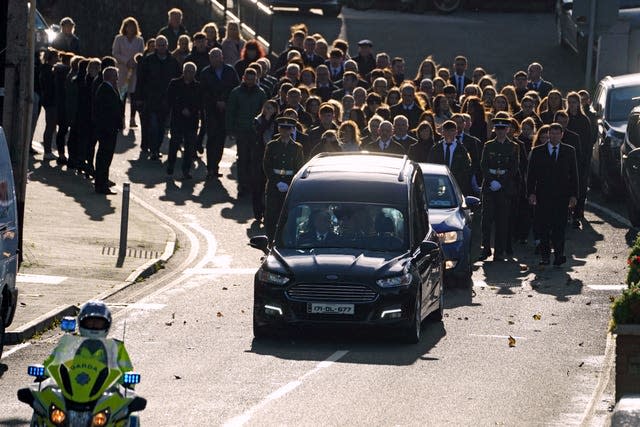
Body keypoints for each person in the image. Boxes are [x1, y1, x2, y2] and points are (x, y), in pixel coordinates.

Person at [527, 123, 578, 266]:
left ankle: (559, 255)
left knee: (559, 227)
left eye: (557, 133)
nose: (554, 136)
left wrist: (574, 195)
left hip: (561, 196)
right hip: (543, 195)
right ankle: (545, 256)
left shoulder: (569, 151)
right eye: (552, 133)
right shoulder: (538, 151)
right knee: (543, 227)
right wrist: (531, 193)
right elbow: (531, 175)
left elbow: (574, 174)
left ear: (562, 135)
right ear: (548, 134)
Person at [43, 300, 133, 377]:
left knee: (135, 398)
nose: (94, 326)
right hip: (69, 389)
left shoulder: (116, 347)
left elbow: (127, 374)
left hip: (106, 393)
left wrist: (124, 385)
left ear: (107, 324)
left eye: (98, 323)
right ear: (81, 322)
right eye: (90, 322)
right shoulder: (69, 343)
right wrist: (43, 375)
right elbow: (51, 365)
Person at [479, 117, 519, 261]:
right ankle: (486, 249)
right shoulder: (488, 145)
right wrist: (491, 180)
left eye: (503, 129)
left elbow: (514, 168)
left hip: (504, 187)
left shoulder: (514, 146)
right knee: (486, 221)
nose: (501, 132)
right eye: (498, 129)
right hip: (490, 186)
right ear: (495, 129)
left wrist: (501, 182)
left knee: (502, 221)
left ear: (508, 129)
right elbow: (483, 165)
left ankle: (499, 251)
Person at [135, 35, 180, 160]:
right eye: (159, 45)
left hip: (166, 100)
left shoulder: (173, 61)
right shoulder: (148, 60)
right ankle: (153, 149)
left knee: (162, 127)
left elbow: (177, 79)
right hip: (150, 98)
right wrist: (139, 98)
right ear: (155, 46)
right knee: (153, 125)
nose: (161, 47)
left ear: (167, 46)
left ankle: (156, 147)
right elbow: (141, 80)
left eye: (163, 45)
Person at [199, 48, 240, 179]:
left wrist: (226, 102)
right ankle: (210, 167)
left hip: (226, 111)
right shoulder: (205, 73)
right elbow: (203, 92)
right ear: (209, 58)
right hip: (211, 111)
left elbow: (235, 88)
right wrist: (215, 101)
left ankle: (215, 165)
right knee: (212, 139)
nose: (215, 59)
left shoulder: (230, 71)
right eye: (213, 57)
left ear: (222, 57)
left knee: (221, 139)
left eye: (217, 56)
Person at [226, 68, 268, 196]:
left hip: (255, 132)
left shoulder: (261, 93)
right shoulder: (236, 93)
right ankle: (243, 184)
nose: (250, 82)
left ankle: (252, 184)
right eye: (248, 79)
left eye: (252, 79)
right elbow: (231, 111)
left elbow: (264, 112)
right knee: (242, 158)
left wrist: (263, 129)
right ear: (243, 78)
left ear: (256, 79)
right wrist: (230, 129)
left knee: (254, 159)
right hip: (241, 130)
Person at [263, 117, 305, 240]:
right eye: (282, 128)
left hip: (289, 185)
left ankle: (286, 240)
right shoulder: (272, 145)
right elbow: (267, 165)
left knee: (288, 215)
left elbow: (299, 167)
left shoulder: (297, 147)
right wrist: (276, 182)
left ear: (292, 130)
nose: (285, 131)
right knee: (271, 214)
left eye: (288, 128)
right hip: (274, 184)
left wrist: (290, 183)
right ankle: (270, 240)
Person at [166, 62, 201, 180]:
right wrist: (181, 109)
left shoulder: (198, 86)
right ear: (183, 71)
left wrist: (190, 110)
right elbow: (170, 99)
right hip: (177, 119)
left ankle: (186, 169)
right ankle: (171, 163)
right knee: (174, 143)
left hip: (192, 120)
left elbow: (200, 103)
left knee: (190, 146)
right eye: (187, 71)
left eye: (191, 72)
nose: (189, 74)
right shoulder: (174, 83)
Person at [93, 67, 123, 195]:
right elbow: (111, 110)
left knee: (105, 156)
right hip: (107, 129)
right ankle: (101, 184)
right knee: (104, 157)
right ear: (111, 76)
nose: (117, 78)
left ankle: (102, 182)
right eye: (115, 76)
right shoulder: (106, 90)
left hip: (108, 128)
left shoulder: (109, 89)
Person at [112, 17, 144, 128]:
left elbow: (141, 53)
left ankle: (132, 119)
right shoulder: (119, 39)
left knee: (134, 95)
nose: (130, 28)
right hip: (122, 70)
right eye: (128, 26)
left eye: (132, 26)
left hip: (134, 71)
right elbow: (115, 53)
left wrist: (135, 62)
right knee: (122, 95)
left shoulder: (139, 40)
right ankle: (121, 118)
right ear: (124, 27)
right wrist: (126, 61)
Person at [428, 120, 473, 195]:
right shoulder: (436, 148)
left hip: (457, 184)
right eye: (446, 131)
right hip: (439, 182)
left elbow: (466, 169)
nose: (449, 133)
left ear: (456, 132)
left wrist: (462, 185)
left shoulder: (461, 149)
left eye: (452, 131)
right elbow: (430, 165)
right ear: (442, 132)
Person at [253, 100, 279, 222]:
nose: (267, 110)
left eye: (270, 108)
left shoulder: (278, 123)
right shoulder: (257, 120)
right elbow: (258, 132)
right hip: (259, 156)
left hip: (272, 157)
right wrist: (266, 119)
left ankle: (267, 211)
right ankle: (258, 212)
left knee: (269, 186)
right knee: (258, 185)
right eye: (266, 107)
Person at [40, 49, 59, 160]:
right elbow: (50, 88)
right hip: (50, 101)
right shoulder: (48, 71)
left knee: (51, 126)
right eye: (56, 57)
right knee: (50, 126)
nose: (58, 59)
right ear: (51, 58)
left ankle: (48, 150)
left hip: (48, 101)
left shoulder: (46, 70)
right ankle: (47, 151)